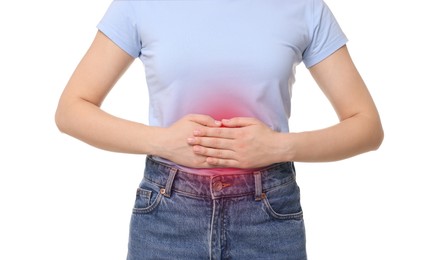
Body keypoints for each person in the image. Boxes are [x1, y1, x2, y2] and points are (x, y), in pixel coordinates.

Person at [55, 0, 383, 259]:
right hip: (168, 213)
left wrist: (278, 147)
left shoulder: (304, 7)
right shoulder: (139, 5)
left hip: (267, 213)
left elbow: (366, 126)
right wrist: (163, 142)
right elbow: (71, 110)